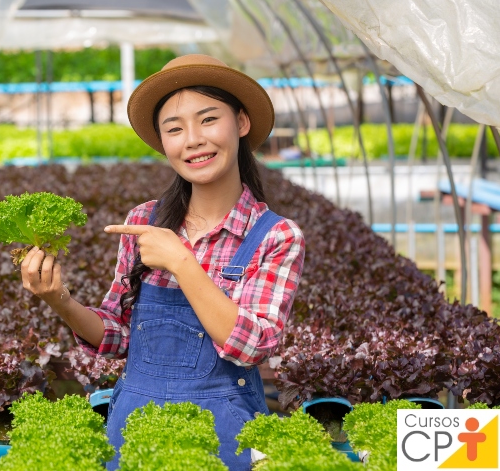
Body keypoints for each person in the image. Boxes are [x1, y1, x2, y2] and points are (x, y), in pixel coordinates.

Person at [20, 54, 305, 471]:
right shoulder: (144, 221)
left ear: (241, 123)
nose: (192, 139)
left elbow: (252, 345)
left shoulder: (276, 236)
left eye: (208, 119)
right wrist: (59, 300)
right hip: (133, 432)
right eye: (174, 128)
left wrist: (182, 263)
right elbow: (117, 335)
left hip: (225, 441)